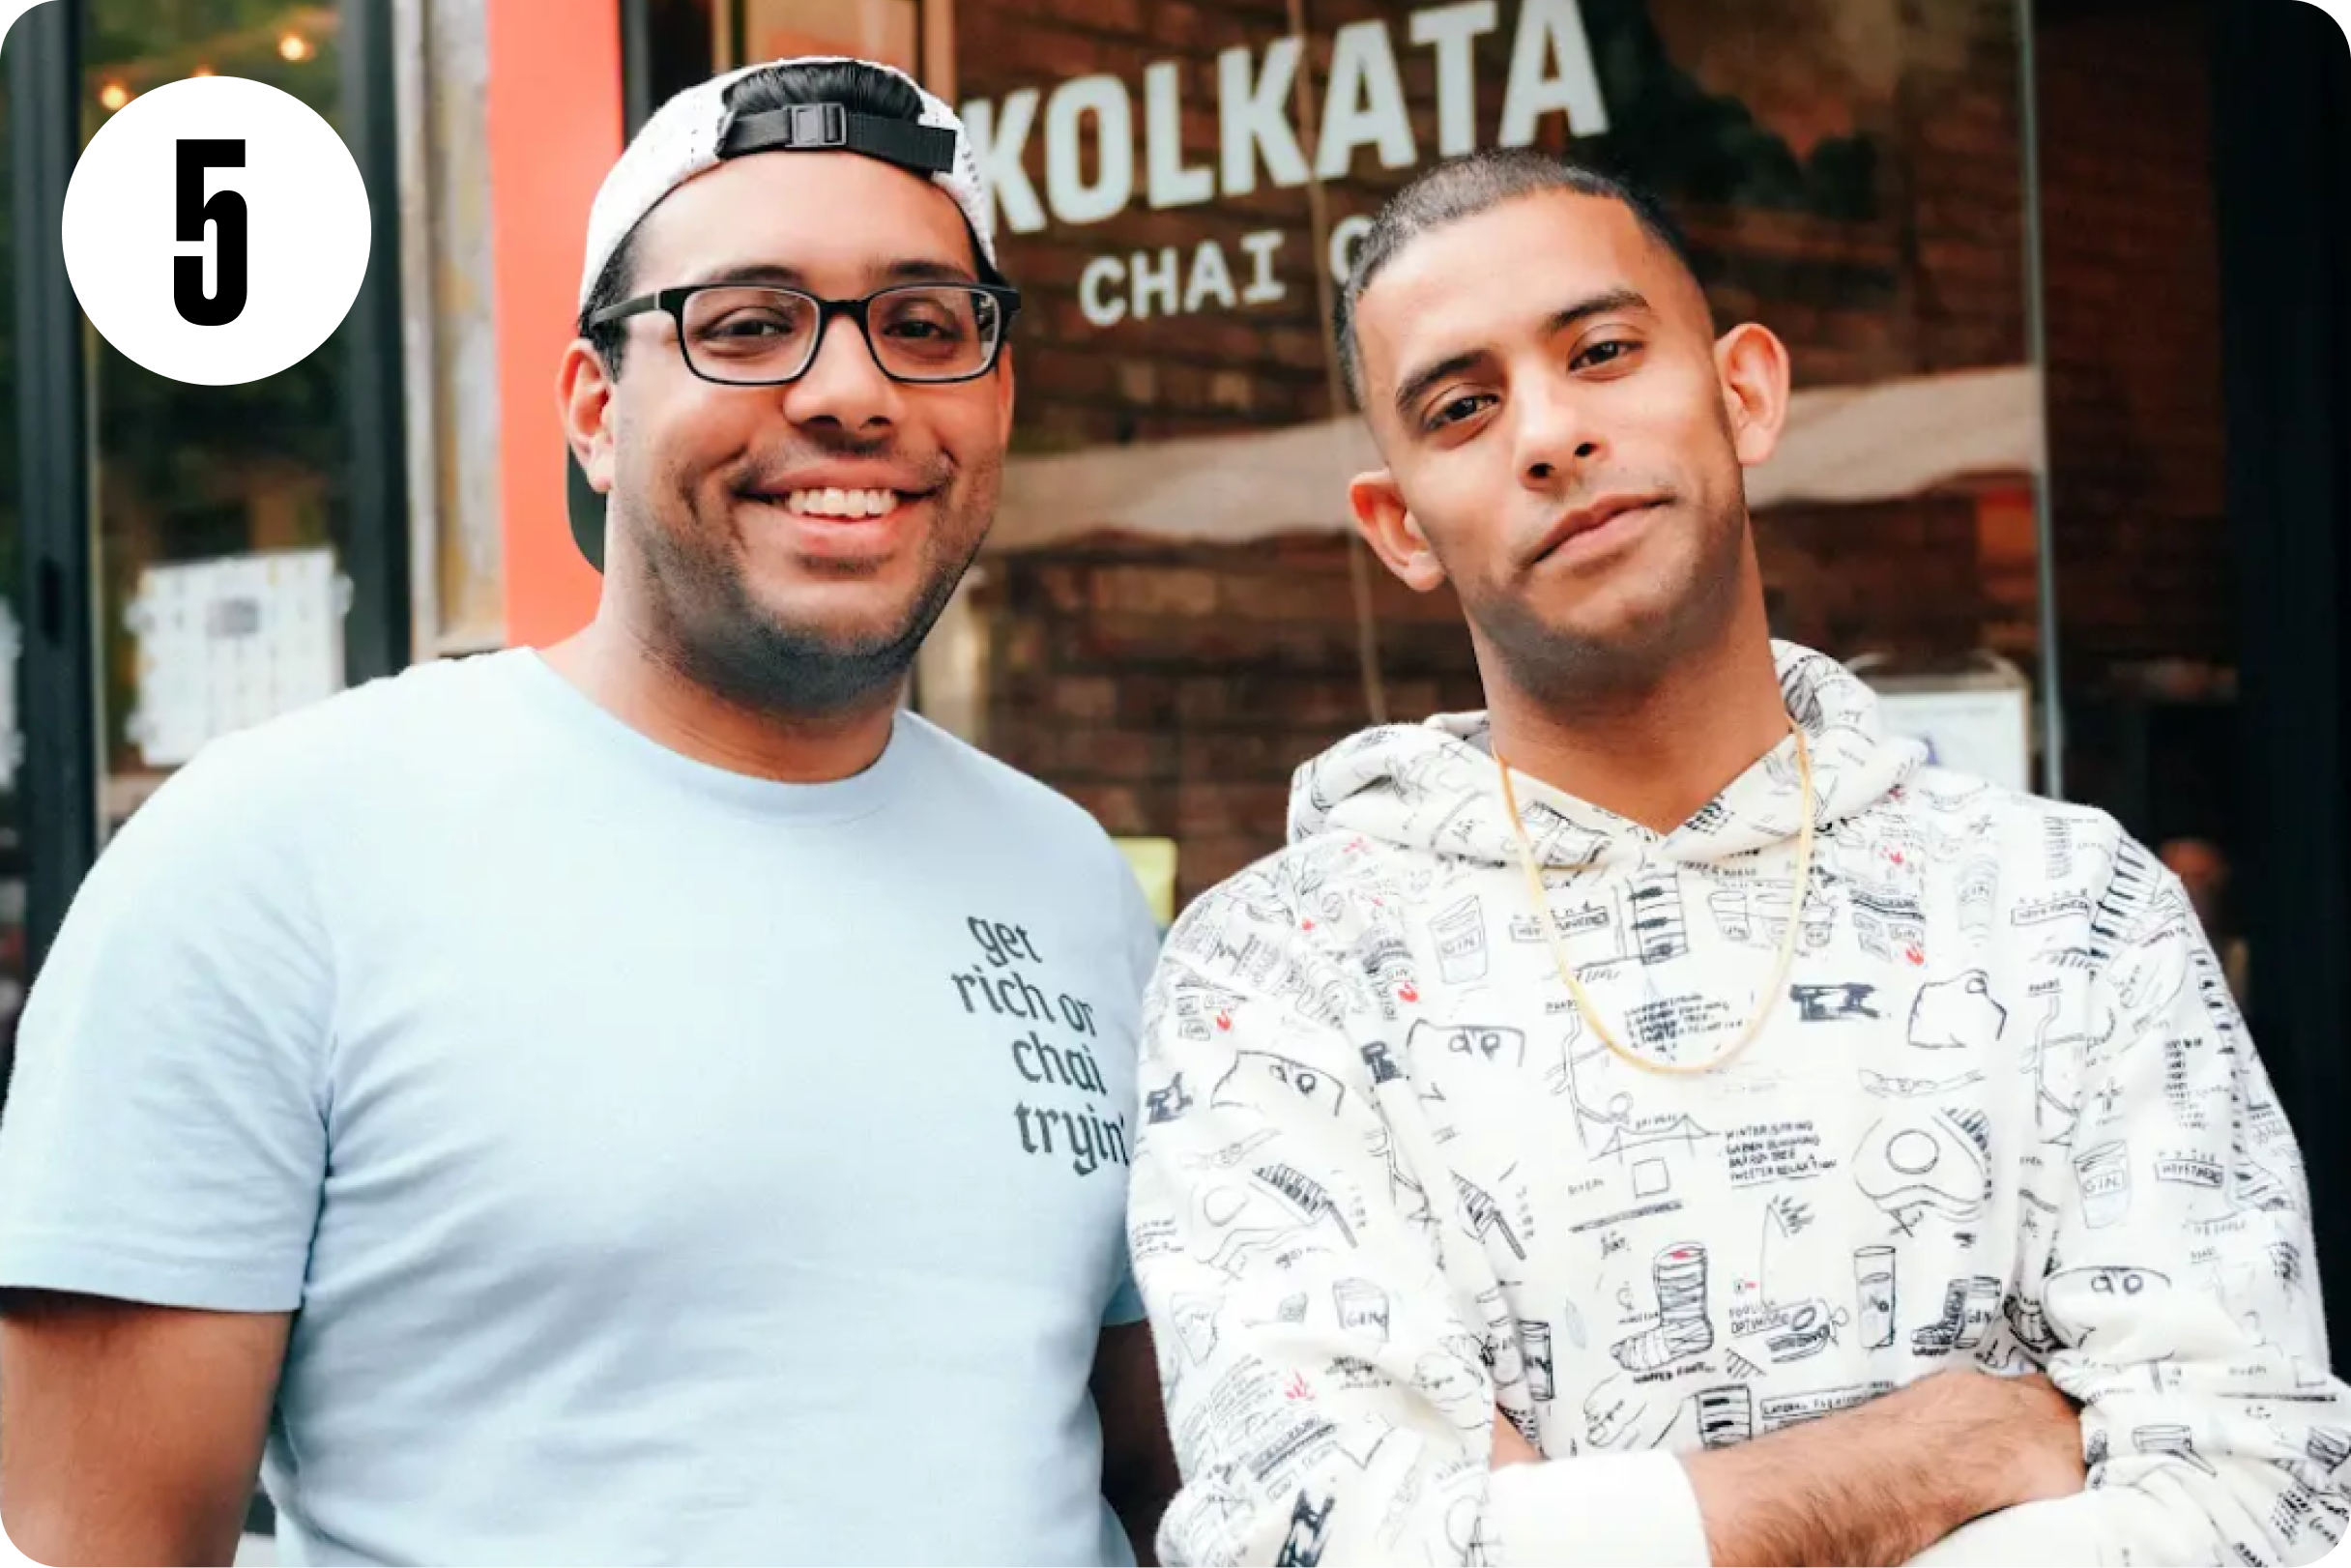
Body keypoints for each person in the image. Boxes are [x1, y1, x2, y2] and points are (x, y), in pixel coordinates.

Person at [0, 57, 1175, 1568]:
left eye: (923, 327)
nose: (849, 390)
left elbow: (1158, 1473)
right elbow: (98, 1536)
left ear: (995, 401)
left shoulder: (1071, 880)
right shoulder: (271, 852)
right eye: (747, 324)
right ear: (594, 409)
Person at [1125, 149, 2349, 1568]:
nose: (1549, 432)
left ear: (1745, 390)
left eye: (1602, 351)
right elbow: (1312, 1541)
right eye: (1461, 408)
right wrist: (1944, 1450)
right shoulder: (1276, 975)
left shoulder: (2070, 907)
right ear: (1400, 527)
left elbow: (2258, 1483)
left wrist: (1559, 1519)